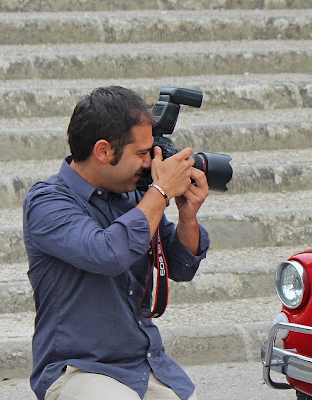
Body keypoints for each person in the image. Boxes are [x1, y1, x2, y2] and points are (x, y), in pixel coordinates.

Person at [22, 86, 210, 400]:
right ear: (104, 151)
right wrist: (160, 193)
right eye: (142, 153)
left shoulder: (136, 197)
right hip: (78, 370)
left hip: (143, 366)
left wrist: (188, 216)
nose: (151, 163)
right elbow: (108, 253)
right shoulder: (47, 203)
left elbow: (181, 267)